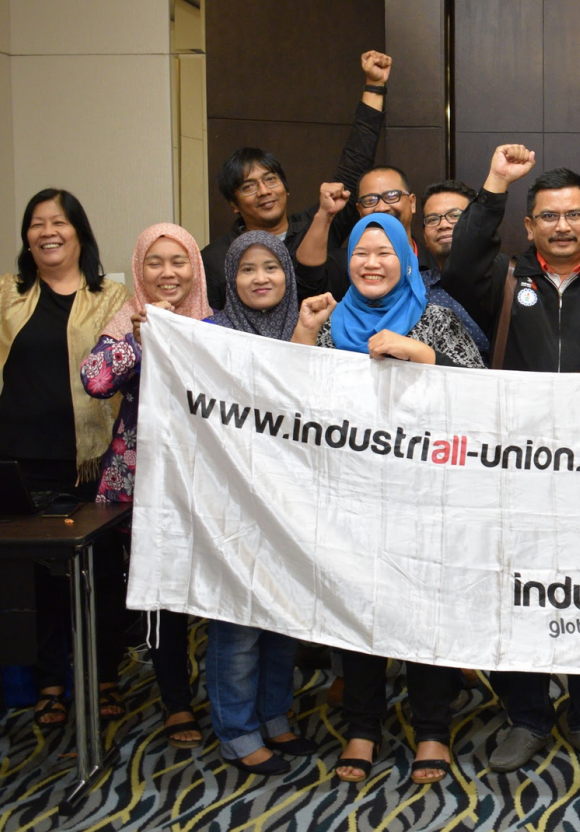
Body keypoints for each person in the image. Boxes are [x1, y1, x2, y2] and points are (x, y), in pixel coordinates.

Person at [442, 163, 580, 773]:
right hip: (515, 469)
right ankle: (526, 716)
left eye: (573, 214)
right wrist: (494, 187)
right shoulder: (505, 279)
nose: (562, 226)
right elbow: (458, 265)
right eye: (549, 216)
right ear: (528, 226)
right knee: (515, 591)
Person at [289, 212, 481, 784]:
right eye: (360, 253)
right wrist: (303, 333)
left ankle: (431, 730)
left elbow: (483, 395)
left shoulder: (435, 317)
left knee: (423, 612)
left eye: (384, 253)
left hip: (425, 497)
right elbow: (291, 400)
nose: (371, 264)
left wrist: (420, 354)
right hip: (351, 495)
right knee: (359, 610)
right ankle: (363, 728)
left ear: (406, 258)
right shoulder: (330, 322)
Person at [0, 188, 130, 727]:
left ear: (79, 232)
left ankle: (104, 675)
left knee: (102, 572)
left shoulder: (112, 297)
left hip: (94, 459)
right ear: (27, 237)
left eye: (59, 221)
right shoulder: (5, 295)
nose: (48, 231)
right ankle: (51, 681)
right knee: (37, 578)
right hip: (24, 457)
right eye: (37, 223)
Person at [81, 223, 215, 749]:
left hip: (203, 480)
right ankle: (176, 702)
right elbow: (95, 382)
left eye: (178, 261)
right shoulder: (126, 320)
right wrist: (137, 342)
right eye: (154, 262)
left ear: (195, 268)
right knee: (158, 597)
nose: (167, 273)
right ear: (140, 269)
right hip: (139, 482)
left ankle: (225, 698)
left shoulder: (214, 325)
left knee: (208, 591)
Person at [200, 232, 319, 775]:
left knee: (282, 618)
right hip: (232, 500)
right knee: (238, 624)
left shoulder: (308, 329)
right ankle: (237, 732)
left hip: (292, 501)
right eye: (247, 269)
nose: (260, 278)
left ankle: (274, 715)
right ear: (231, 278)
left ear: (288, 275)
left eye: (271, 266)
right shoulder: (208, 335)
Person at [200, 50, 391, 310]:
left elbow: (355, 165)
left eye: (270, 179)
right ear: (234, 203)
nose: (264, 191)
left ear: (286, 188)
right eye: (248, 186)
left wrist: (375, 85)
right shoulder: (214, 258)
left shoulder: (319, 224)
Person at [295, 164, 490, 352]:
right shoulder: (332, 316)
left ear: (412, 202)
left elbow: (472, 364)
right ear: (359, 210)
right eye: (370, 200)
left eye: (391, 196)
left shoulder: (437, 277)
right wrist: (325, 214)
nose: (381, 207)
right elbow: (308, 279)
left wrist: (423, 355)